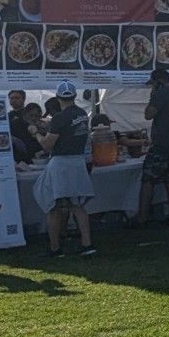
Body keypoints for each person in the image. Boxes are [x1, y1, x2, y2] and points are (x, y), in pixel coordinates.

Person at [30, 82, 97, 258]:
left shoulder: (60, 118)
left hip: (61, 163)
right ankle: (87, 244)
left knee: (54, 205)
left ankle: (55, 247)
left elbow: (47, 145)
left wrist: (36, 133)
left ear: (59, 98)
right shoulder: (82, 114)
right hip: (78, 161)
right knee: (77, 205)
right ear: (74, 96)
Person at [135, 69, 169, 227]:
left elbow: (148, 114)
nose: (152, 87)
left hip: (161, 146)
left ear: (158, 81)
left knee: (148, 180)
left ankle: (142, 218)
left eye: (153, 84)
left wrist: (152, 96)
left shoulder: (161, 94)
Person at [6, 89, 42, 166]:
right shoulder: (7, 116)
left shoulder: (30, 113)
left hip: (32, 154)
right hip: (15, 155)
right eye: (11, 98)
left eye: (17, 98)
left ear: (24, 99)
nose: (13, 100)